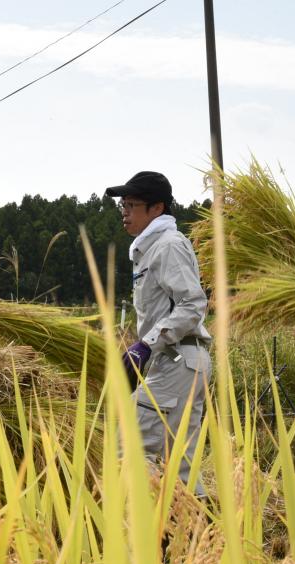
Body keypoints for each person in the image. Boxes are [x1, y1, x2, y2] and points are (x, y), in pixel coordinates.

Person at [104, 171, 212, 493]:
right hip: (177, 361)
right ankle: (197, 537)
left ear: (156, 209)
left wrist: (147, 345)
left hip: (178, 360)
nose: (124, 211)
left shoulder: (167, 245)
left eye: (132, 204)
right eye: (123, 205)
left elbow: (192, 303)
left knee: (130, 446)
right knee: (178, 464)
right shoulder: (149, 248)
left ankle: (154, 534)